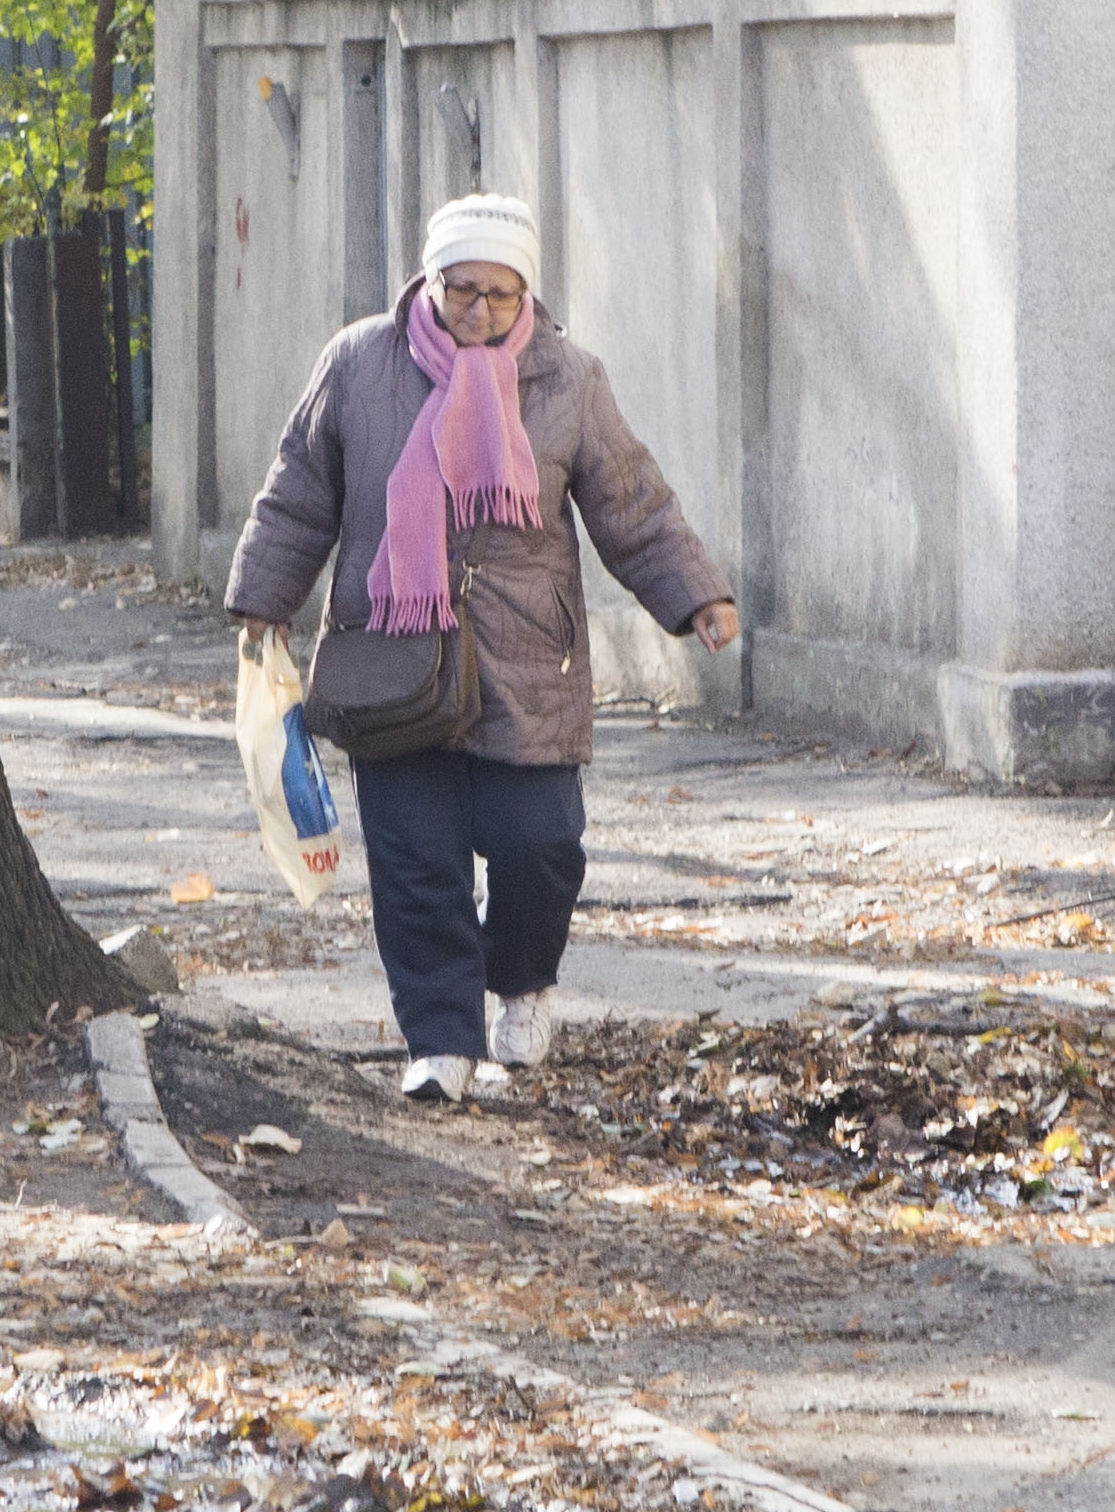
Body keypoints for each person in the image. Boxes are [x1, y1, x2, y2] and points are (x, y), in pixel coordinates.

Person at [226, 193, 738, 1101]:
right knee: (415, 860)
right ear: (429, 280)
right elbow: (301, 488)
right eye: (463, 291)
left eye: (502, 296)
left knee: (541, 845)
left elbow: (631, 501)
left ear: (526, 293)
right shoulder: (358, 364)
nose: (480, 313)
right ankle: (440, 1042)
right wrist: (266, 597)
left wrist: (694, 595)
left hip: (526, 657)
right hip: (393, 653)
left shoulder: (569, 378)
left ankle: (524, 983)